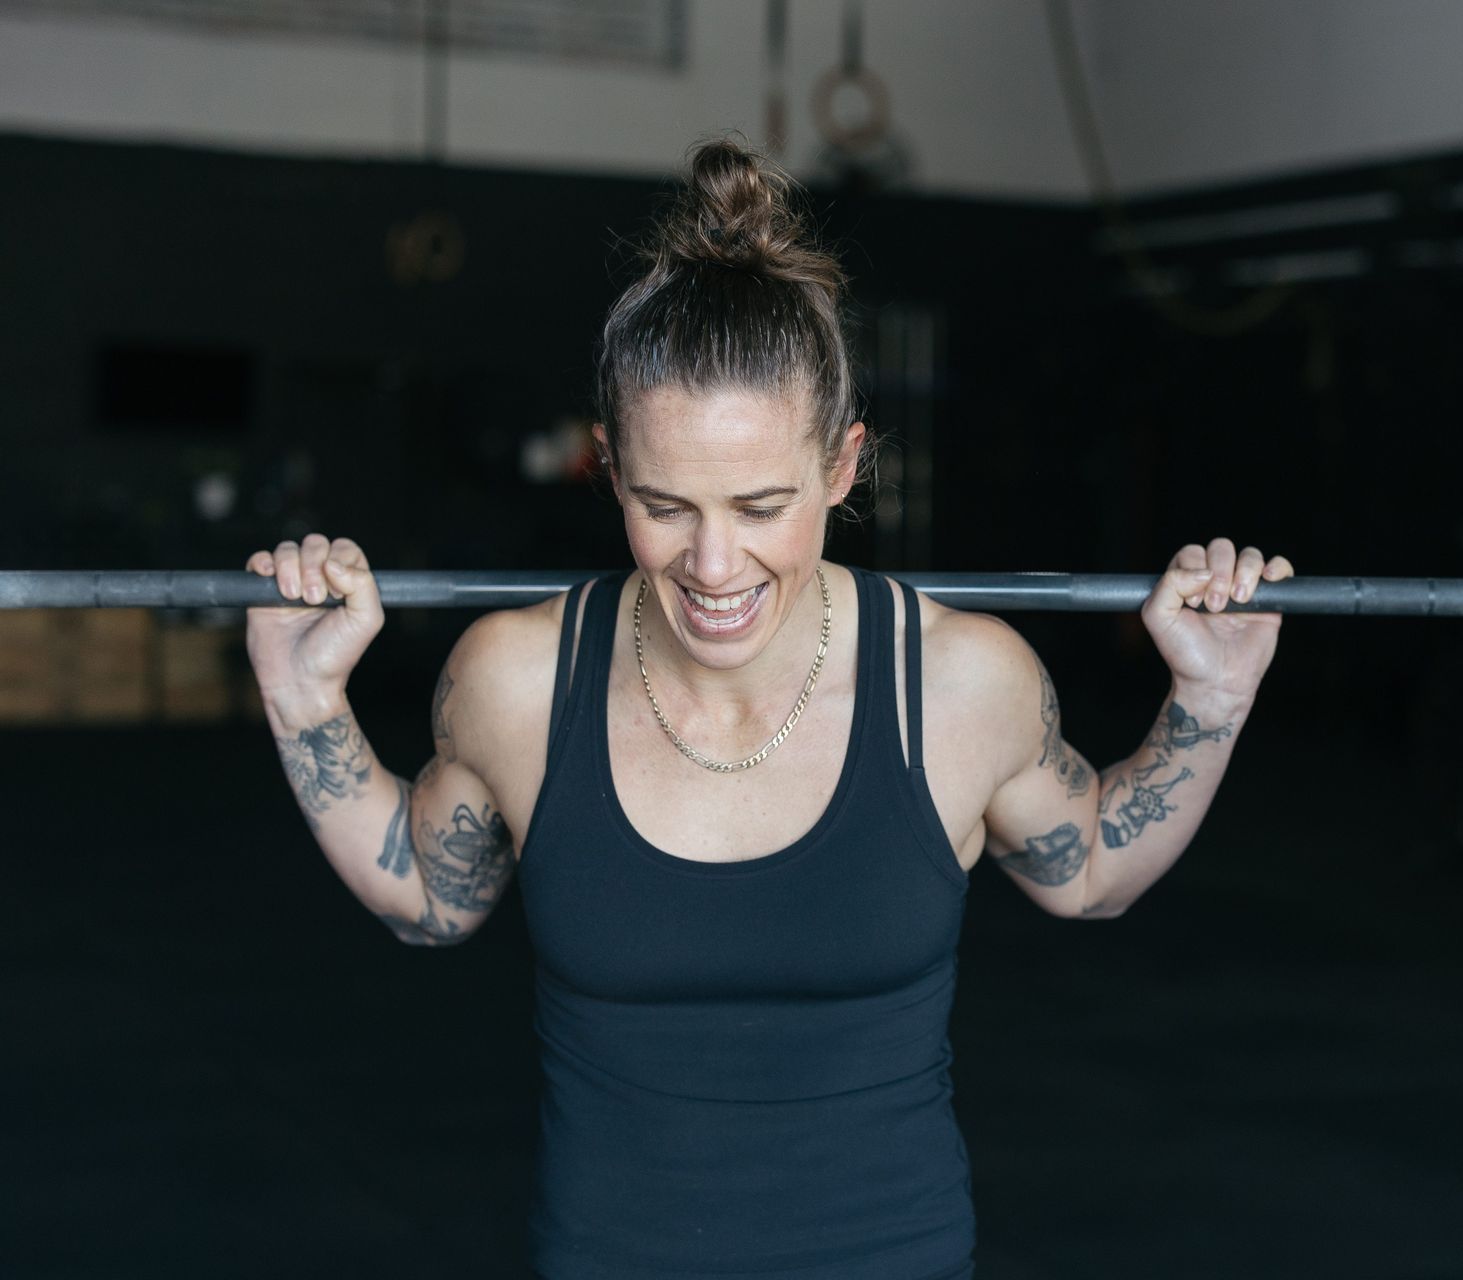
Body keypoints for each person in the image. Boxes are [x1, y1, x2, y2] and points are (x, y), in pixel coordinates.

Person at [244, 137, 1295, 1280]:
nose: (710, 561)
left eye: (760, 505)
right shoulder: (516, 677)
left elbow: (1088, 869)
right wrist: (306, 703)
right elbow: (430, 901)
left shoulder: (958, 681)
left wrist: (1212, 693)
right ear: (606, 468)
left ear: (843, 466)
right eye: (662, 504)